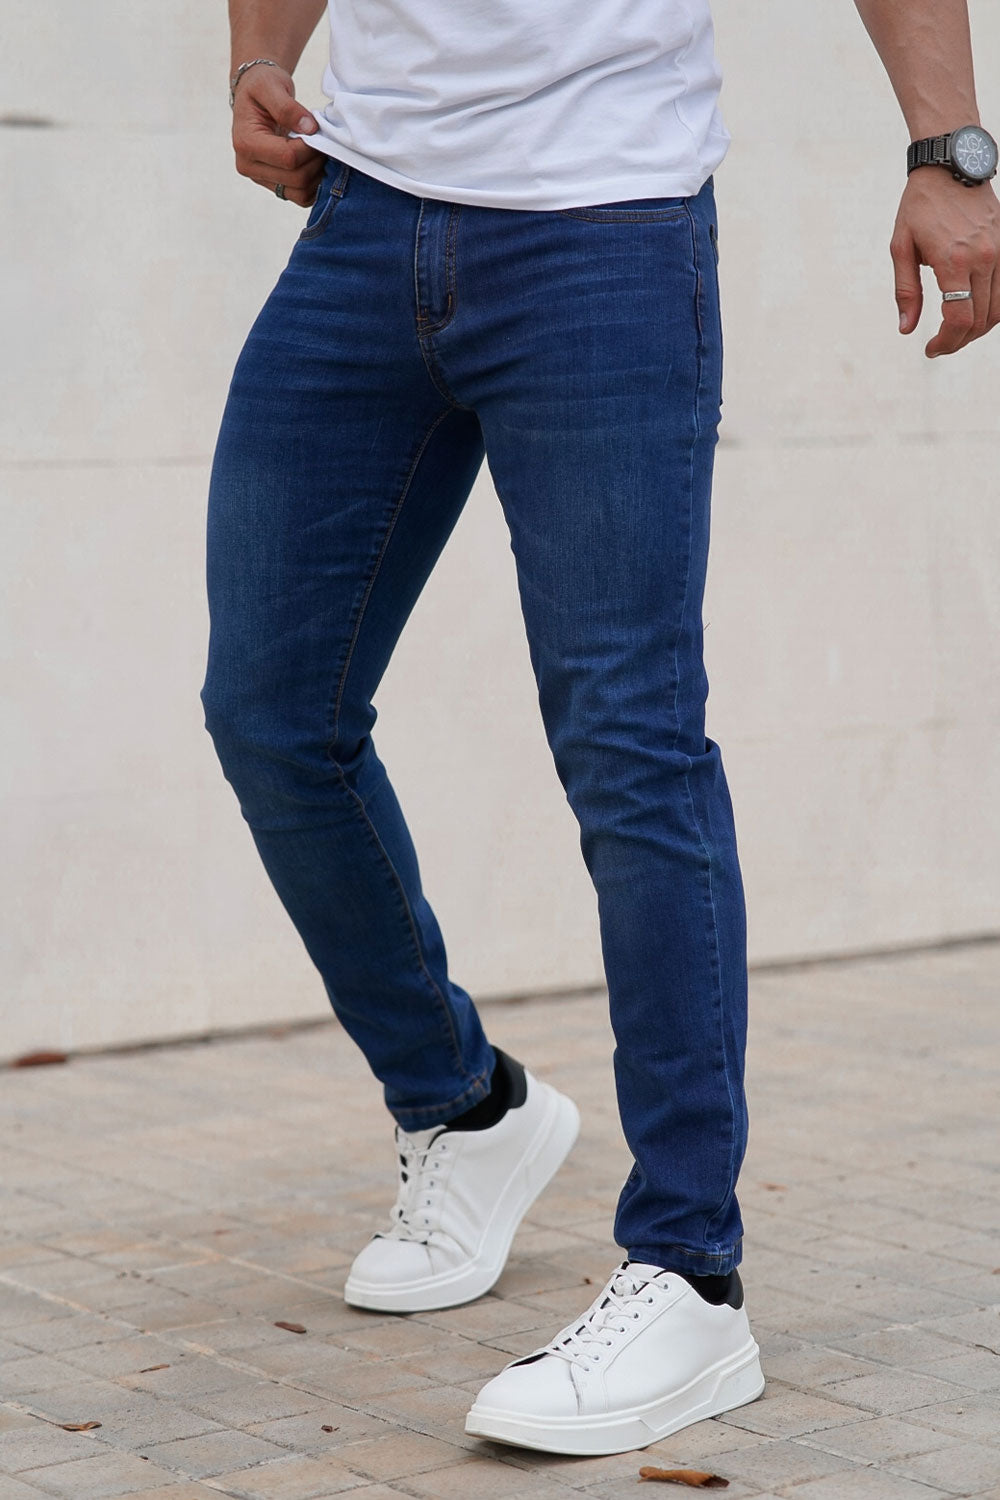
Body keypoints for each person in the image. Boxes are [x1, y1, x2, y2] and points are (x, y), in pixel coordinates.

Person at [201, 0, 999, 1458]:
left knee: (632, 745)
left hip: (606, 227)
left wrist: (949, 152)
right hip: (365, 214)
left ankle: (690, 1276)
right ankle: (465, 1107)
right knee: (268, 713)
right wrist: (261, 53)